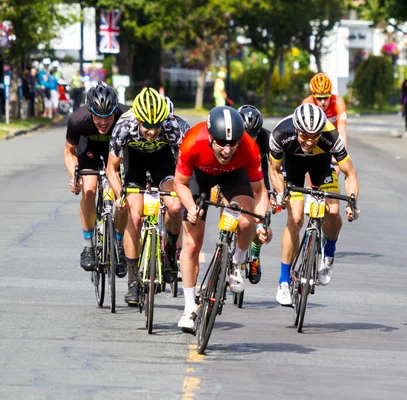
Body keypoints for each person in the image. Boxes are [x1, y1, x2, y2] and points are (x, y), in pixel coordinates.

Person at [173, 106, 273, 331]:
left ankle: (236, 262)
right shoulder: (192, 141)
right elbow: (180, 183)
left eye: (232, 143)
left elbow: (260, 191)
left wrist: (260, 223)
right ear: (210, 136)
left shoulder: (247, 146)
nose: (227, 150)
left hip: (233, 176)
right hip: (200, 175)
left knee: (246, 220)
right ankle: (189, 308)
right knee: (191, 243)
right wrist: (190, 206)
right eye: (221, 143)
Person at [269, 103, 360, 306]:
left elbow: (350, 173)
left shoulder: (330, 135)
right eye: (304, 136)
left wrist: (352, 201)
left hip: (321, 164)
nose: (309, 142)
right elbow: (274, 170)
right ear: (296, 129)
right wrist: (280, 192)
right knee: (295, 218)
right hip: (291, 164)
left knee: (333, 212)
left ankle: (329, 254)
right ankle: (283, 281)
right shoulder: (281, 133)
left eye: (314, 136)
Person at [107, 87, 189, 306]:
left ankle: (170, 253)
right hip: (134, 161)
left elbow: (185, 166)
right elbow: (111, 168)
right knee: (134, 216)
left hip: (163, 161)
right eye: (147, 125)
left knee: (174, 206)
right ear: (138, 120)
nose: (152, 131)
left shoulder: (173, 127)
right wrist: (119, 194)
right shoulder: (124, 126)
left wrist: (185, 191)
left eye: (156, 125)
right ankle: (133, 279)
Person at [63, 81, 128, 275]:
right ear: (89, 111)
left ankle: (119, 243)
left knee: (122, 198)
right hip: (88, 149)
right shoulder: (77, 119)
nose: (103, 121)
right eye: (98, 116)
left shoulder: (126, 117)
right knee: (89, 190)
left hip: (115, 152)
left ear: (115, 111)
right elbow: (69, 152)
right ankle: (88, 246)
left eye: (108, 116)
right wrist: (75, 176)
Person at [238, 104, 271, 284]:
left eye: (254, 134)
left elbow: (277, 167)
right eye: (246, 134)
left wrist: (278, 192)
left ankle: (255, 258)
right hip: (237, 177)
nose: (250, 138)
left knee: (260, 223)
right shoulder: (231, 137)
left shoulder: (267, 138)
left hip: (260, 180)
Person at [301, 73, 348, 147]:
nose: (323, 102)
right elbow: (304, 132)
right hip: (314, 139)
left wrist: (343, 155)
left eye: (326, 97)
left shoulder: (338, 102)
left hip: (332, 138)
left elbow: (342, 131)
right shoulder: (307, 104)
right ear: (313, 95)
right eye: (319, 98)